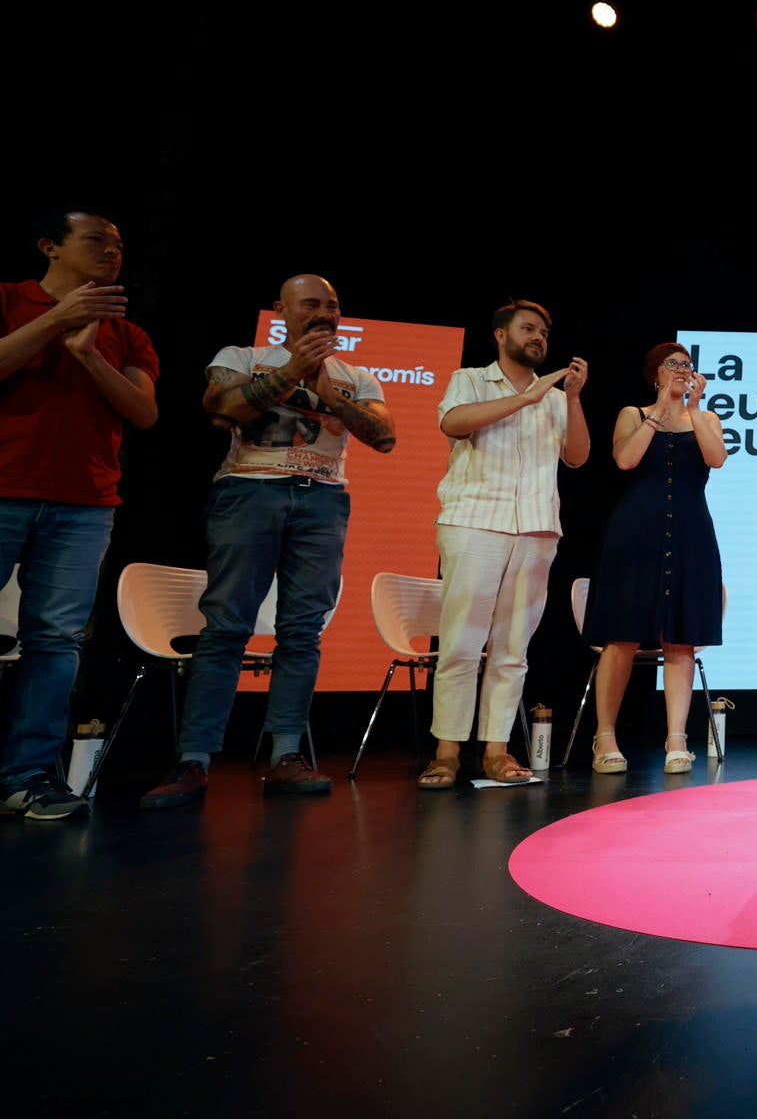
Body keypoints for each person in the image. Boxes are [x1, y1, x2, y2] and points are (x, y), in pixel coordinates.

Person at [140, 275, 396, 808]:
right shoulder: (242, 355)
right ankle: (194, 759)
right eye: (311, 303)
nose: (325, 312)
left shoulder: (357, 375)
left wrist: (331, 396)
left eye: (333, 305)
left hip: (323, 497)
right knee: (226, 627)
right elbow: (222, 410)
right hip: (249, 491)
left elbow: (385, 437)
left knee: (302, 632)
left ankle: (285, 755)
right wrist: (292, 371)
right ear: (282, 310)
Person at [0, 207, 159, 820]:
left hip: (86, 504)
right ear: (50, 246)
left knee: (56, 641)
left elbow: (143, 413)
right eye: (96, 240)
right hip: (6, 486)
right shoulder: (10, 300)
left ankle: (27, 776)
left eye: (119, 245)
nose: (113, 252)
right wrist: (57, 323)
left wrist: (90, 355)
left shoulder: (127, 333)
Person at [417, 301, 588, 789]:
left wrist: (571, 398)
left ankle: (496, 750)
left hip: (535, 528)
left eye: (544, 332)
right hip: (475, 521)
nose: (539, 338)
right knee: (461, 644)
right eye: (528, 329)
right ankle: (447, 752)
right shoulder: (471, 379)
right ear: (500, 334)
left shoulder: (555, 398)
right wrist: (527, 397)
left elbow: (577, 457)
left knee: (513, 648)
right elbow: (454, 424)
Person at [581, 341, 724, 775]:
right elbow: (625, 459)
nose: (681, 370)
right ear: (655, 373)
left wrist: (694, 408)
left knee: (680, 637)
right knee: (621, 636)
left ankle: (677, 740)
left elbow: (716, 458)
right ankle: (604, 737)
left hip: (690, 535)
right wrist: (660, 411)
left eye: (687, 364)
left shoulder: (706, 417)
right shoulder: (633, 414)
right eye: (672, 364)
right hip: (634, 535)